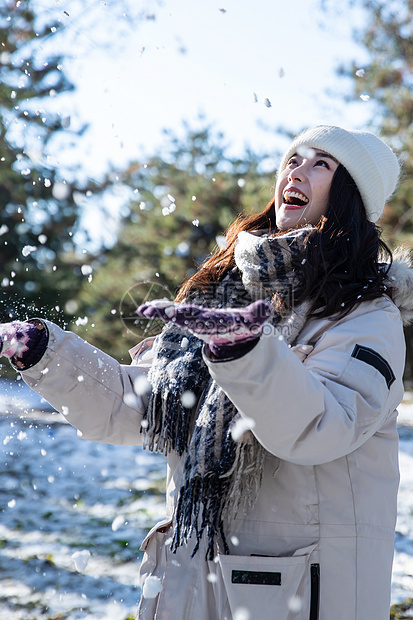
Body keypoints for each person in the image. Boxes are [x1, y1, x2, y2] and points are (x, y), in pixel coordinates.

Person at [1, 125, 412, 620]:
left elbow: (321, 427)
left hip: (300, 598)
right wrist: (48, 352)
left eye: (320, 164)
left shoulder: (367, 316)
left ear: (349, 197)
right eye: (292, 161)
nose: (296, 171)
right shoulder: (224, 291)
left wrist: (243, 349)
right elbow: (138, 410)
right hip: (193, 583)